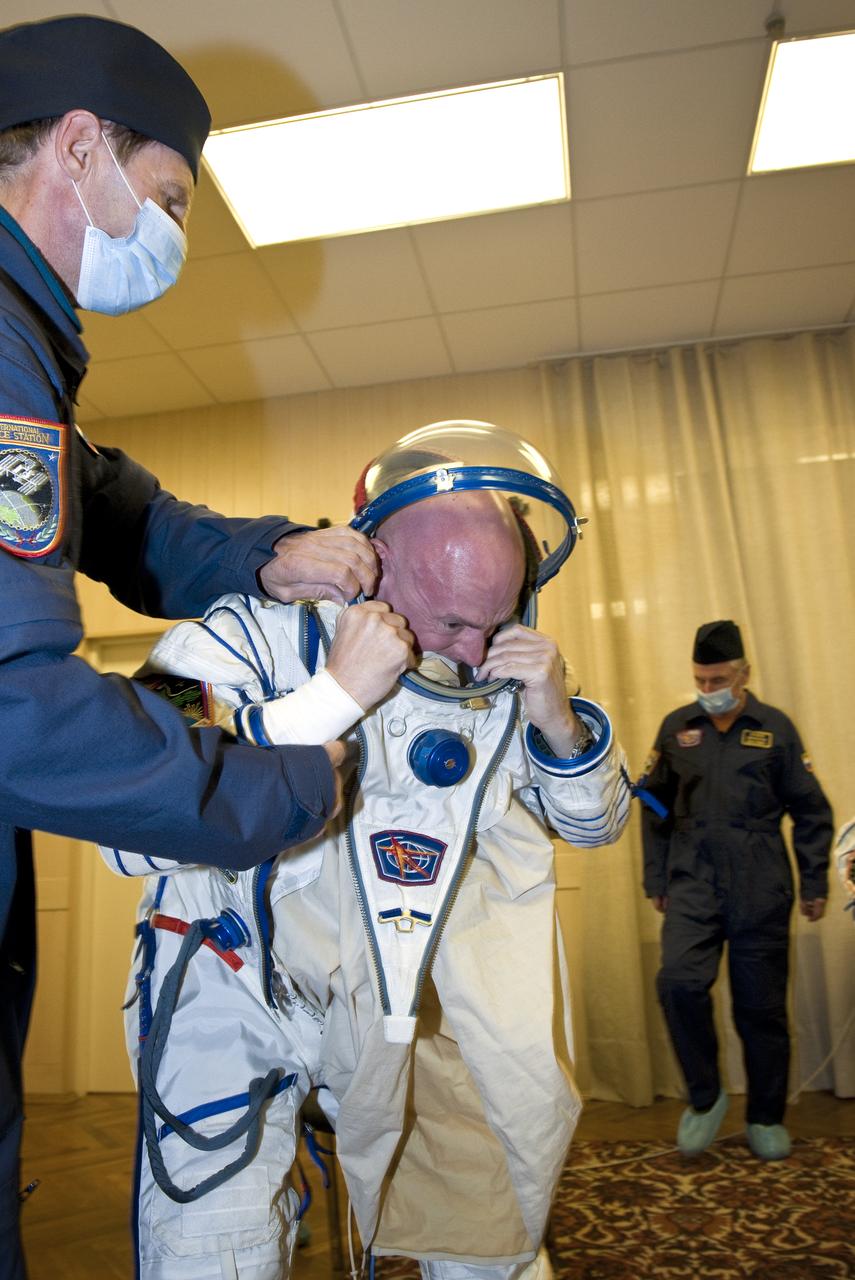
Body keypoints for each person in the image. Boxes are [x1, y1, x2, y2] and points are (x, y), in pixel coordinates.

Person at [0, 16, 376, 1279]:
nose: (168, 232)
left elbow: (104, 505)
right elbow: (20, 707)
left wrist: (264, 553)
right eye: (164, 195)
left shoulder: (25, 344)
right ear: (79, 146)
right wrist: (278, 787)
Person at [101, 421, 632, 1280]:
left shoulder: (504, 677)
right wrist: (328, 700)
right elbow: (130, 791)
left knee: (487, 1232)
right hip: (228, 982)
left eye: (493, 619)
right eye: (452, 620)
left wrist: (558, 722)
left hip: (394, 993)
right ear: (370, 566)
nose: (470, 653)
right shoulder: (238, 632)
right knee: (214, 1249)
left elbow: (595, 825)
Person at [640, 620, 833, 1161]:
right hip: (692, 883)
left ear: (744, 673)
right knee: (677, 983)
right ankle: (706, 1099)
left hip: (761, 885)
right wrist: (656, 877)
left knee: (762, 1011)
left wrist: (813, 878)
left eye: (718, 678)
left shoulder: (775, 729)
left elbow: (812, 810)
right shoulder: (677, 728)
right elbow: (653, 806)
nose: (708, 690)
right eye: (700, 680)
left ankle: (766, 1117)